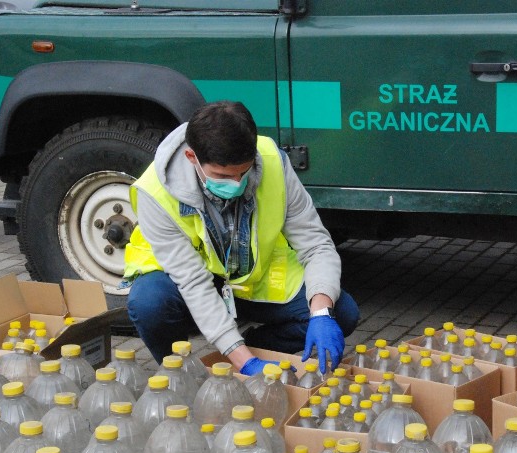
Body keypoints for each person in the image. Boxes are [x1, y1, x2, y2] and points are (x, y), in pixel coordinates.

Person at [122, 101, 359, 375]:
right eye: (222, 176)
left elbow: (316, 244)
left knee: (341, 312)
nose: (236, 184)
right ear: (191, 157)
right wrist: (245, 364)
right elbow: (193, 282)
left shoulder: (272, 162)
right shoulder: (155, 192)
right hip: (190, 287)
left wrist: (320, 312)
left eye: (243, 173)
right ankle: (181, 373)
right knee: (149, 303)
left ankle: (256, 348)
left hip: (250, 283)